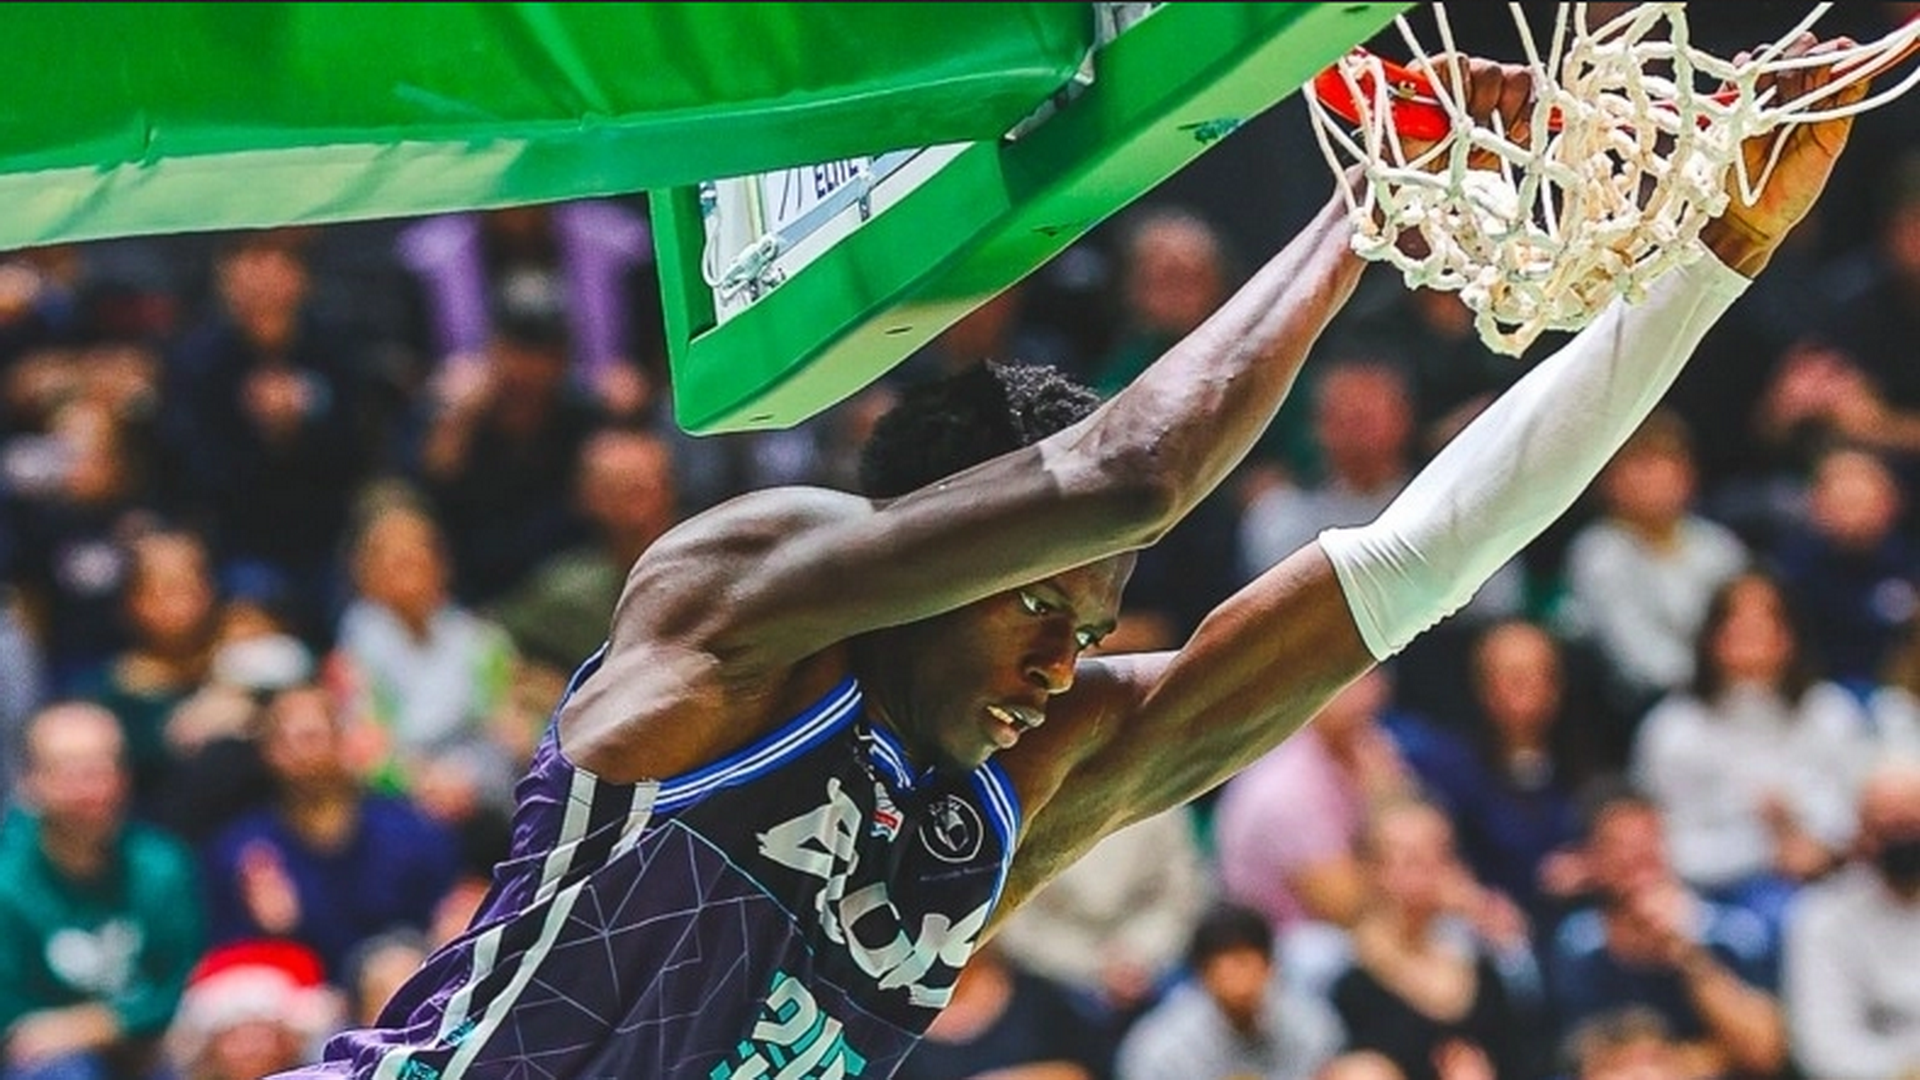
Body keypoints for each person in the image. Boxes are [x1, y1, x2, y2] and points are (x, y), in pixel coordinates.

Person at [280, 40, 1869, 1080]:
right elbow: (1133, 476)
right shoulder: (736, 615)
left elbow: (1417, 559)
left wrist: (1716, 260)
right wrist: (1367, 203)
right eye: (1040, 604)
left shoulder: (1017, 796)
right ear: (939, 545)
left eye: (1093, 626)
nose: (1063, 661)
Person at [0, 702, 205, 1080]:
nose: (90, 789)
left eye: (101, 769)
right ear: (29, 781)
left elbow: (186, 982)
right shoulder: (7, 878)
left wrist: (99, 1024)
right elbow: (12, 1017)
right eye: (69, 772)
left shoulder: (162, 864)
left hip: (150, 1046)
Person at [1782, 757, 1920, 1079]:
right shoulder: (1821, 917)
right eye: (1886, 829)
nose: (1901, 842)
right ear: (1861, 834)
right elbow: (1825, 1050)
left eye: (1911, 826)